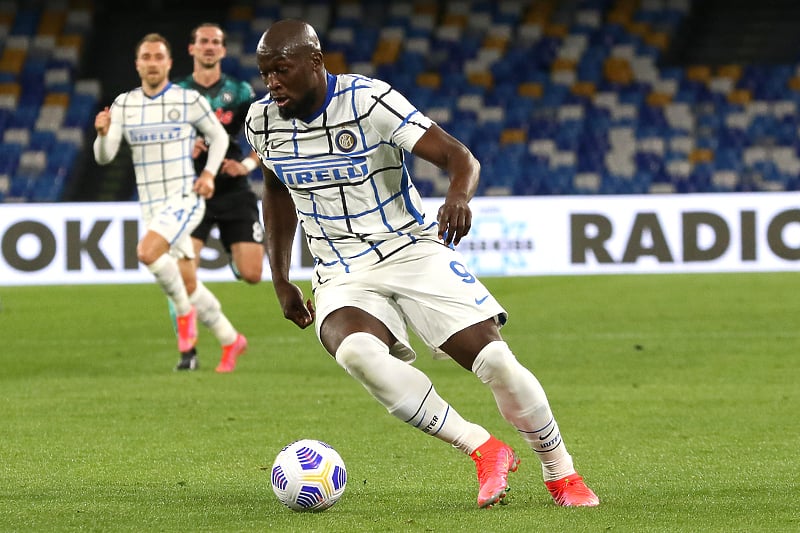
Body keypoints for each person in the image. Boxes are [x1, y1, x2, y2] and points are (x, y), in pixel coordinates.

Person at [244, 19, 600, 509]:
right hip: (341, 270)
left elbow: (460, 157)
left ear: (315, 62)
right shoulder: (261, 121)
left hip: (411, 248)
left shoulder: (369, 101)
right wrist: (280, 278)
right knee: (356, 353)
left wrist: (458, 197)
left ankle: (561, 473)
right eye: (265, 74)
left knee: (495, 360)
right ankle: (482, 447)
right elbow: (275, 189)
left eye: (281, 71)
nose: (272, 84)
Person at [94, 33, 246, 372]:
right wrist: (103, 134)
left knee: (147, 252)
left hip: (184, 198)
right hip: (150, 205)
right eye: (146, 57)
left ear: (168, 62)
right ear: (138, 64)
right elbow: (104, 158)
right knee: (188, 281)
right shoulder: (124, 104)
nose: (152, 62)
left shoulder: (187, 99)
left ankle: (183, 314)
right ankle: (230, 339)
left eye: (158, 57)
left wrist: (207, 175)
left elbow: (219, 137)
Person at [163, 22, 265, 372]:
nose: (209, 47)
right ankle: (198, 347)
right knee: (181, 272)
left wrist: (248, 164)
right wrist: (180, 145)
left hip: (233, 190)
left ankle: (233, 253)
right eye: (203, 42)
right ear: (191, 49)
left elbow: (265, 136)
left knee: (252, 273)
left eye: (216, 42)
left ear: (223, 51)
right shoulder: (175, 92)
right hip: (191, 192)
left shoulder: (239, 92)